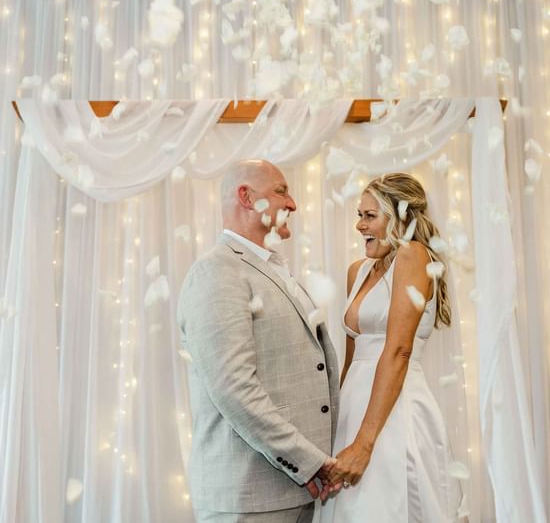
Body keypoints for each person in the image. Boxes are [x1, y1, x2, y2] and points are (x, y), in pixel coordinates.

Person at [177, 159, 341, 523]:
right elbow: (235, 389)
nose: (293, 204)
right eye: (281, 191)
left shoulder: (271, 268)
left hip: (294, 493)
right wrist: (309, 462)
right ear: (246, 197)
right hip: (248, 497)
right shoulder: (217, 272)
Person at [319, 173, 462, 522]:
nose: (359, 225)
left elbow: (399, 351)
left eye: (370, 216)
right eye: (359, 214)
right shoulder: (358, 270)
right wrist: (335, 430)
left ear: (399, 217)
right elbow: (351, 362)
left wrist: (365, 443)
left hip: (394, 410)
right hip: (355, 410)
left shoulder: (413, 255)